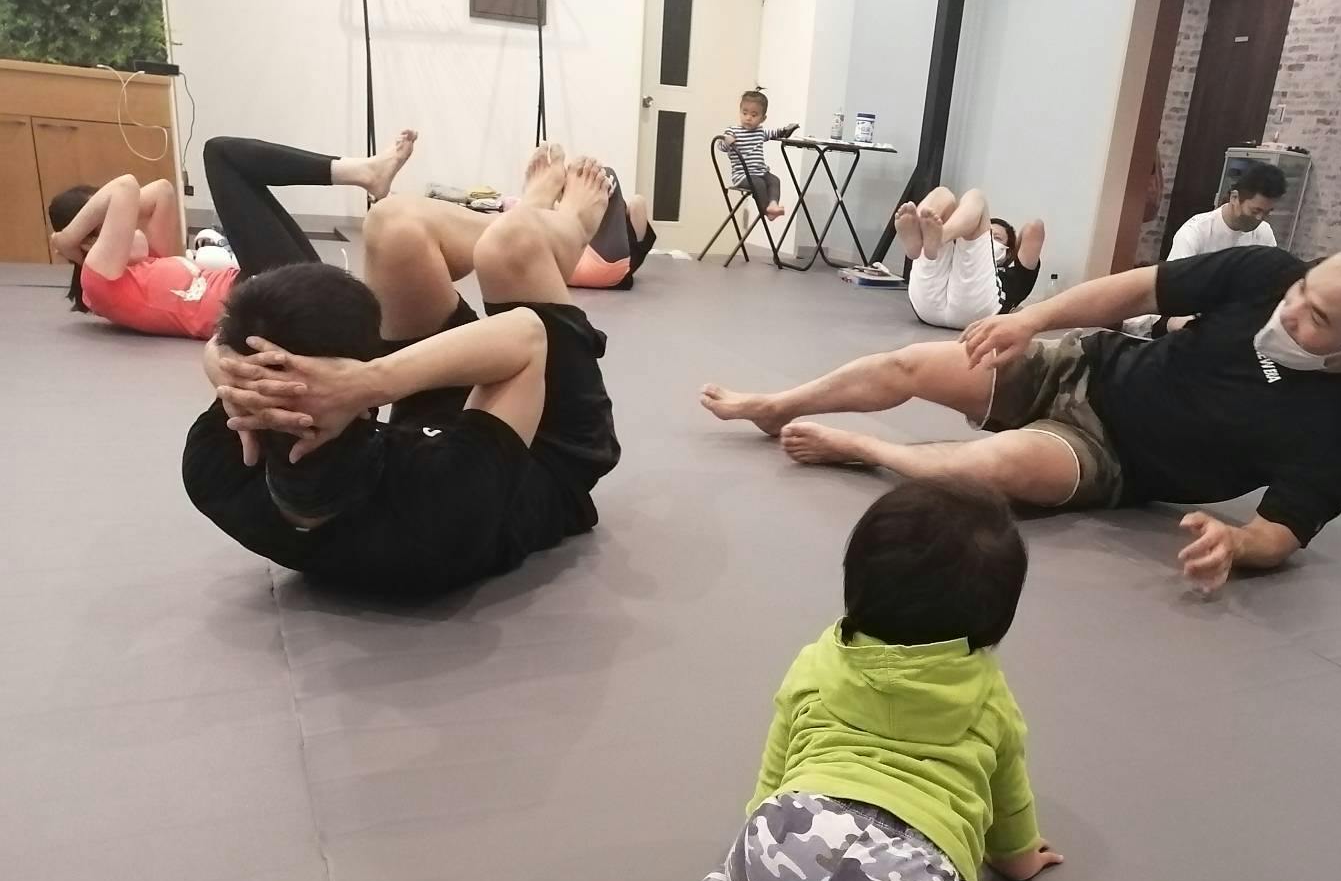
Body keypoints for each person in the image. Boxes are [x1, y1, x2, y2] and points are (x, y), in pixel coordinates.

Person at [700, 243, 1341, 594]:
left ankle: (858, 446)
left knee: (995, 470)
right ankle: (778, 406)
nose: (1289, 310)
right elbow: (1134, 290)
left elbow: (1281, 531)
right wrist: (1029, 321)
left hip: (1107, 458)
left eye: (1314, 319)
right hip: (1087, 366)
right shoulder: (1264, 272)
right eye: (1301, 290)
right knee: (910, 364)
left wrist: (1236, 544)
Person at [672, 479, 1060, 881]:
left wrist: (755, 845)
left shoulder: (815, 661)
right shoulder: (988, 699)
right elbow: (1009, 821)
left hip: (783, 834)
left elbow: (774, 771)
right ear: (995, 623)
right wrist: (1024, 858)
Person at [183, 147, 621, 596]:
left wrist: (228, 375)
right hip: (544, 442)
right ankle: (565, 228)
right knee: (512, 246)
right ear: (359, 403)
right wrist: (374, 380)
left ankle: (532, 218)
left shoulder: (218, 466)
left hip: (431, 426)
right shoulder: (441, 502)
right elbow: (526, 336)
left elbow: (221, 346)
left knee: (391, 224)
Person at [46, 132, 417, 339]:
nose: (130, 224)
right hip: (264, 303)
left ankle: (365, 173)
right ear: (90, 244)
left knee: (235, 166)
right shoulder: (100, 280)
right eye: (114, 221)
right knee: (220, 154)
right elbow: (125, 187)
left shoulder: (143, 266)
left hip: (272, 288)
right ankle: (364, 173)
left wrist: (85, 233)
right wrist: (67, 238)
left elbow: (161, 191)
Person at [1124, 162, 1288, 337]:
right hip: (1186, 313)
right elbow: (1173, 290)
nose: (1260, 218)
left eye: (1267, 212)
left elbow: (1271, 285)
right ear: (1234, 198)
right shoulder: (1196, 231)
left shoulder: (1264, 233)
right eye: (1255, 211)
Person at [895, 185, 1045, 329]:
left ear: (1008, 252)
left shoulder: (1017, 275)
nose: (989, 239)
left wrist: (1012, 254)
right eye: (988, 234)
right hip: (926, 304)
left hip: (978, 312)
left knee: (976, 196)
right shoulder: (951, 257)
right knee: (943, 194)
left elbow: (1034, 227)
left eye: (996, 237)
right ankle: (917, 241)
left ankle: (936, 238)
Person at [720, 90, 798, 221]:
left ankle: (773, 204)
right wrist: (727, 141)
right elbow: (721, 146)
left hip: (760, 172)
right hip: (742, 176)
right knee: (759, 183)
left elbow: (776, 133)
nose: (748, 118)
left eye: (754, 115)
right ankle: (766, 211)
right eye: (744, 113)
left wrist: (786, 130)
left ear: (762, 118)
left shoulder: (760, 132)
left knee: (774, 180)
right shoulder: (733, 131)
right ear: (740, 112)